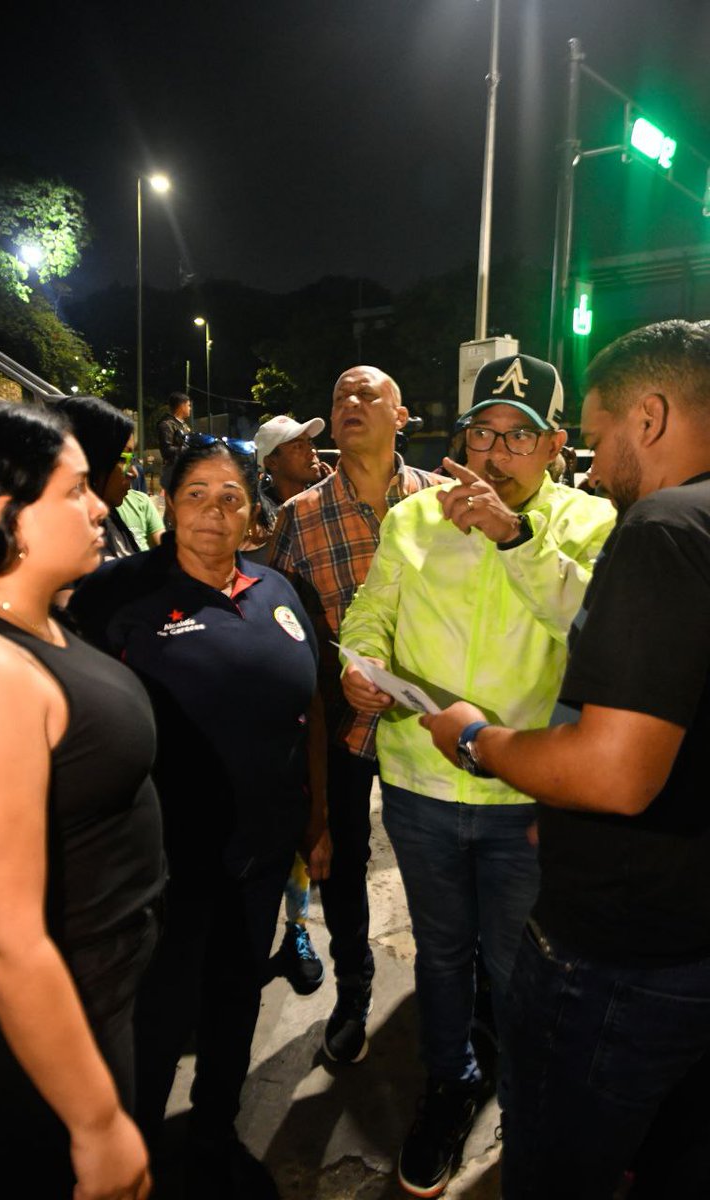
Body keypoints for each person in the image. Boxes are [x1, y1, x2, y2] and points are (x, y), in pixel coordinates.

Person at [421, 320, 710, 1200]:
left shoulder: (659, 528)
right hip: (690, 931)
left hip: (624, 949)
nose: (592, 449)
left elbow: (616, 772)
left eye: (593, 427)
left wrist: (477, 739)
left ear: (650, 416)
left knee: (555, 1164)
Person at [340, 353, 615, 1198]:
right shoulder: (412, 518)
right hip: (421, 789)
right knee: (441, 954)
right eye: (483, 432)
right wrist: (363, 662)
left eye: (518, 437)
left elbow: (601, 634)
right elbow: (371, 610)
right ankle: (450, 1085)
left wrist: (514, 537)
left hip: (524, 793)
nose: (495, 455)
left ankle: (527, 1106)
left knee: (519, 962)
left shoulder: (593, 522)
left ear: (554, 444)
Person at [0, 400, 165, 1200]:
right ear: (6, 517)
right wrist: (94, 1124)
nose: (101, 507)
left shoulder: (36, 620)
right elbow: (3, 940)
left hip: (97, 989)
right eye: (77, 490)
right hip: (35, 1029)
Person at [69, 433, 327, 1200]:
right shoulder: (114, 597)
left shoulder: (280, 593)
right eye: (196, 494)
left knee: (235, 998)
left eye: (231, 497)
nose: (213, 512)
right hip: (159, 865)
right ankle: (136, 1157)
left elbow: (312, 709)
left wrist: (317, 824)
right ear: (168, 505)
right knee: (152, 1016)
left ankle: (214, 1136)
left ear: (254, 514)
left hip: (257, 855)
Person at [269, 366, 438, 1063]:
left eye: (367, 394)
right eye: (339, 395)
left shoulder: (442, 500)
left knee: (435, 861)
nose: (349, 404)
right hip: (341, 727)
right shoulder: (299, 517)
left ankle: (447, 993)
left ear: (402, 417)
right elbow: (278, 622)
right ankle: (356, 992)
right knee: (341, 861)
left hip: (428, 725)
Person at [254, 414, 327, 993]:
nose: (309, 451)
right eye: (295, 446)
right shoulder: (255, 519)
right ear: (270, 462)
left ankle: (297, 926)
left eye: (309, 441)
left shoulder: (333, 496)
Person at [52, 395, 140, 560]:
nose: (133, 472)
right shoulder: (55, 544)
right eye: (123, 459)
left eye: (133, 459)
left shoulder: (111, 519)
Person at [157, 391, 191, 491]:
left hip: (184, 468)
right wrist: (187, 450)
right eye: (188, 405)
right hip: (173, 471)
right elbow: (166, 451)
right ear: (182, 406)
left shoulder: (184, 425)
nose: (190, 408)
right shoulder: (166, 425)